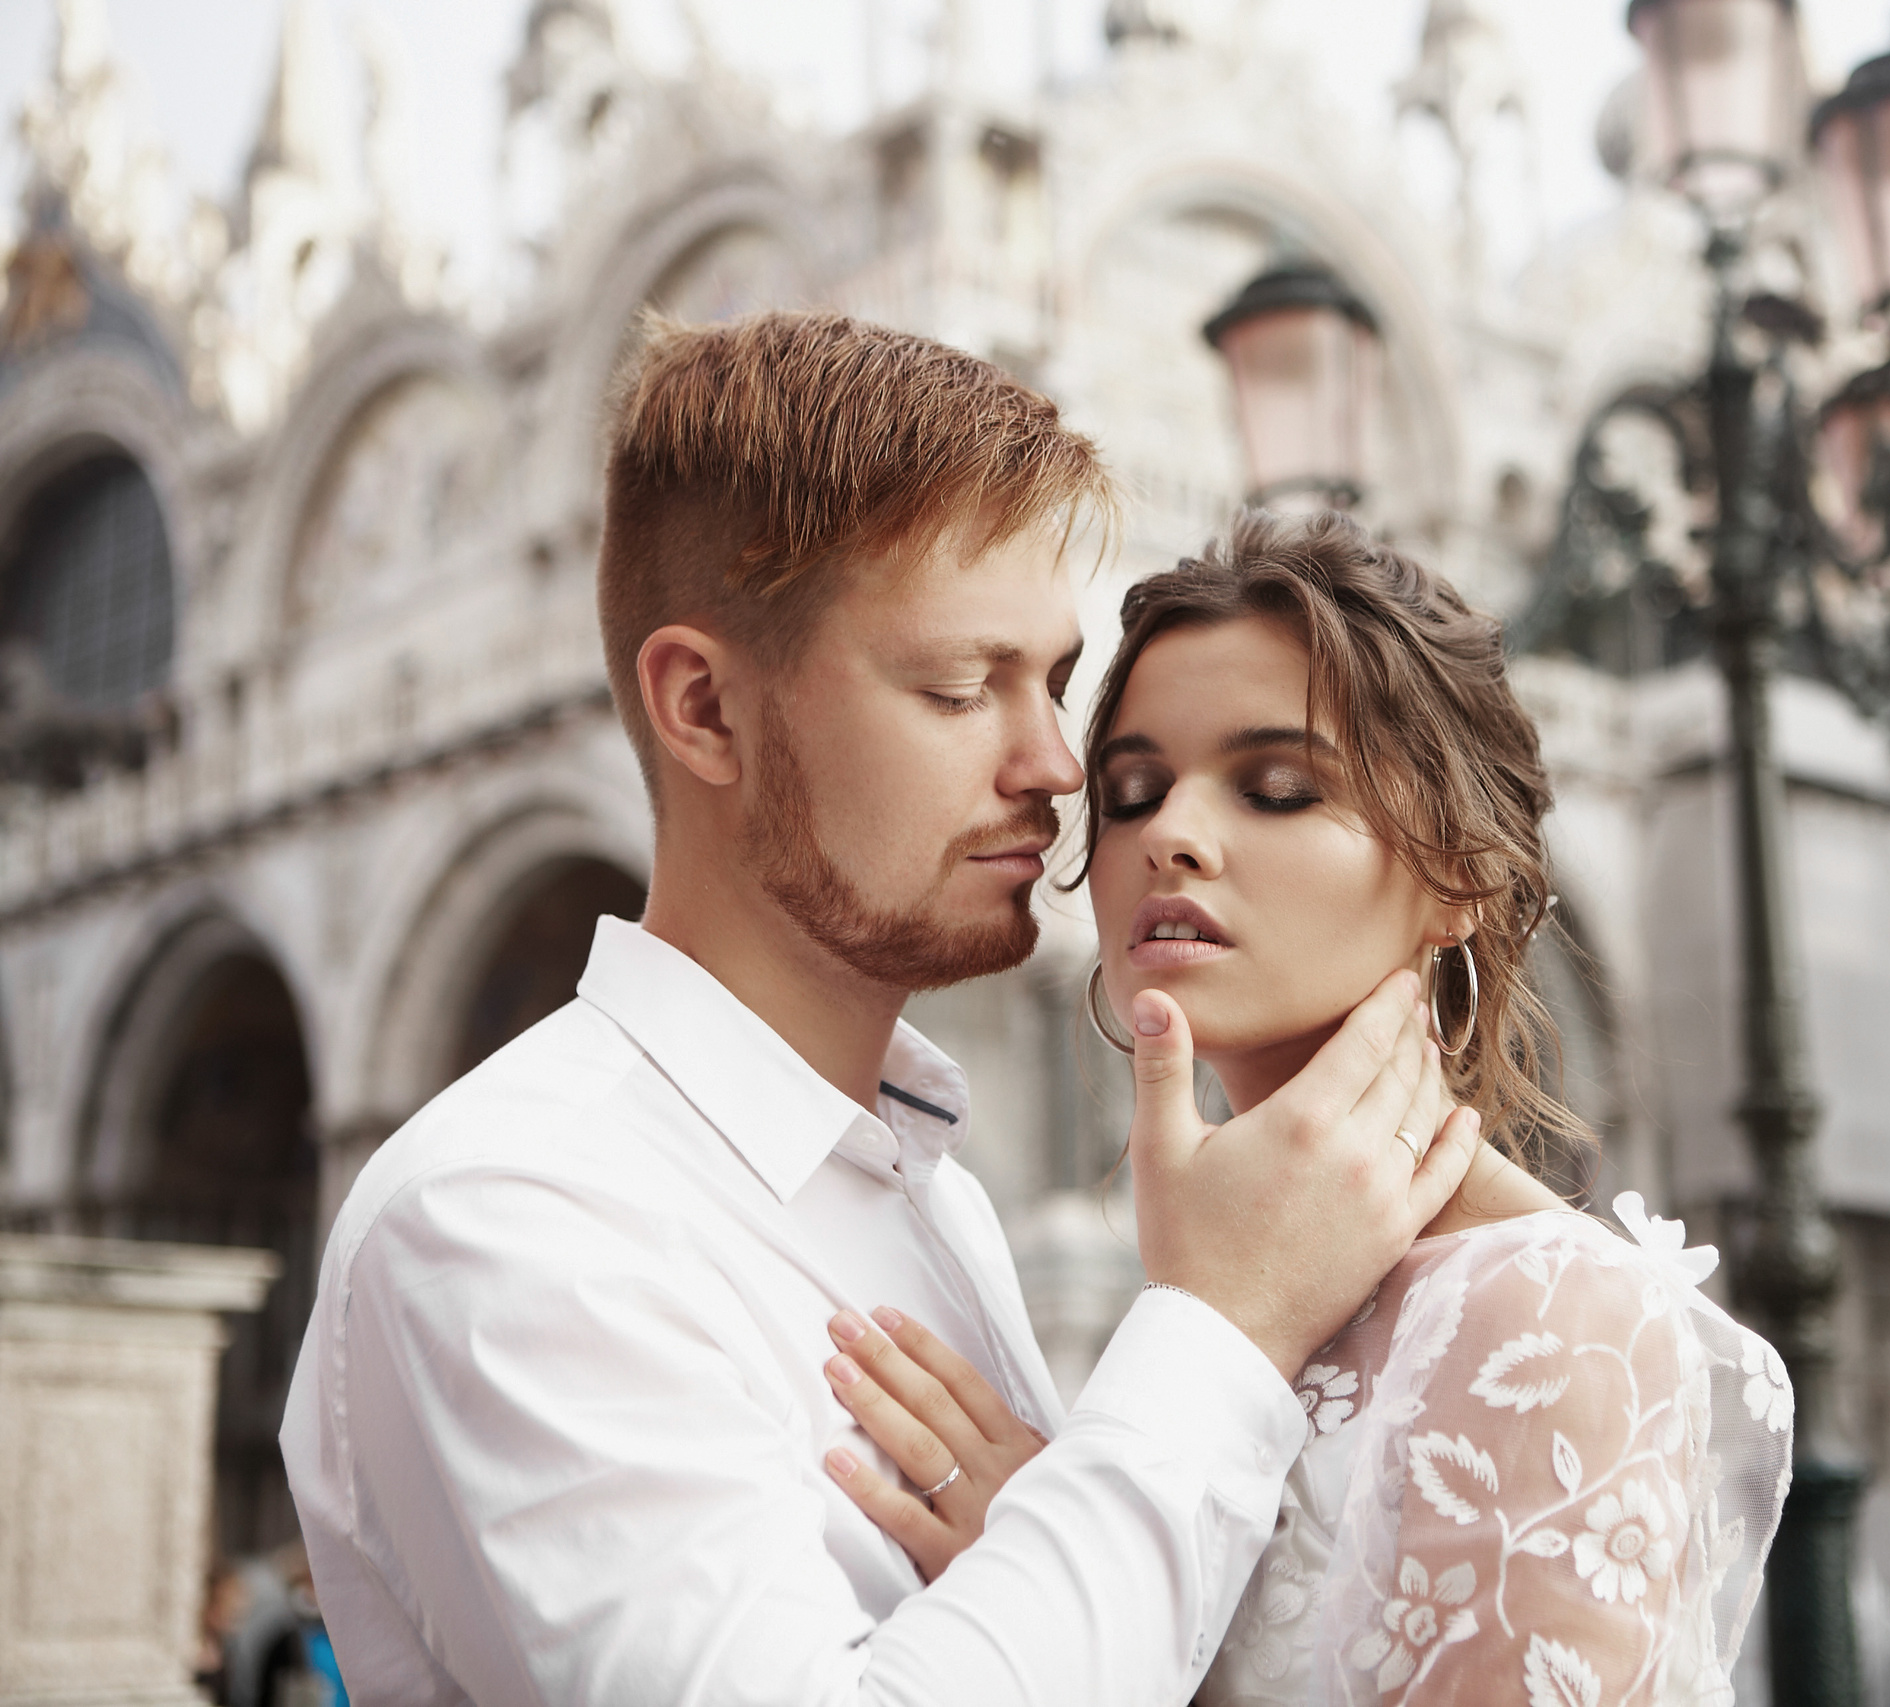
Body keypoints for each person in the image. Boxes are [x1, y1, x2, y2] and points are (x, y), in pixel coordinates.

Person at [280, 312, 1481, 1706]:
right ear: (706, 709)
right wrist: (1225, 1328)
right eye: (965, 686)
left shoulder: (931, 1189)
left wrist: (1053, 1518)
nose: (1053, 766)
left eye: (1058, 684)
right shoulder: (510, 1209)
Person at [817, 511, 1795, 1704]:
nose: (1171, 835)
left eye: (1277, 789)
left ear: (1459, 878)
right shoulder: (1200, 1262)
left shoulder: (1550, 1313)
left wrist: (1064, 1611)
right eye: (1130, 792)